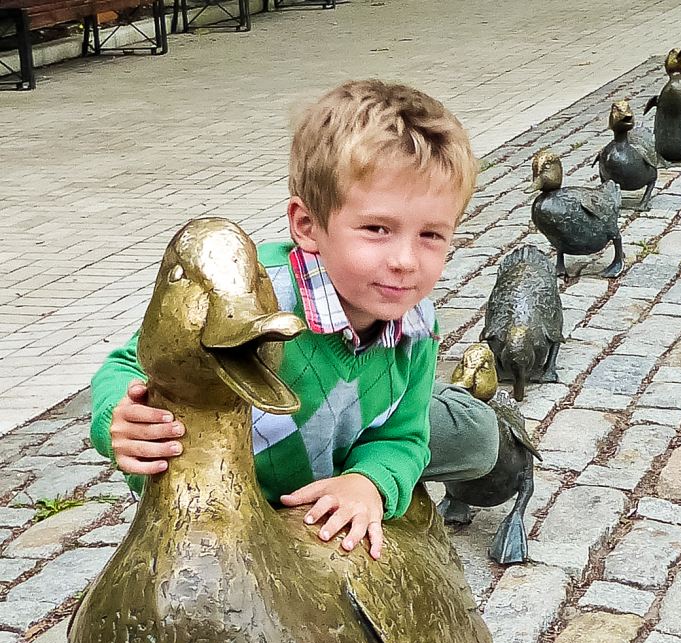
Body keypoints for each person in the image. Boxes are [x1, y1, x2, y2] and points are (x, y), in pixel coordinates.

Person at [90, 79, 498, 561]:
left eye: (432, 235)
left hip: (310, 492)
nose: (405, 261)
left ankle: (456, 418)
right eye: (376, 229)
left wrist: (369, 481)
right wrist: (120, 416)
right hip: (207, 510)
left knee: (476, 437)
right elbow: (129, 365)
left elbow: (402, 437)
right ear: (307, 225)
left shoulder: (416, 324)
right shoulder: (250, 299)